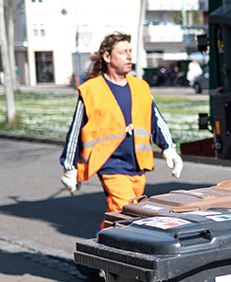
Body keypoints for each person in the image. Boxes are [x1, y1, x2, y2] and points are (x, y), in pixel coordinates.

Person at [60, 31, 184, 224]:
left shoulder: (141, 87)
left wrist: (169, 149)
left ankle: (101, 248)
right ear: (107, 57)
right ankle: (107, 250)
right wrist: (69, 168)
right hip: (110, 165)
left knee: (122, 216)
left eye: (130, 51)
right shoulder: (91, 90)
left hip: (137, 165)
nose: (129, 56)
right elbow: (75, 132)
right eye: (123, 52)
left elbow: (156, 120)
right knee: (126, 212)